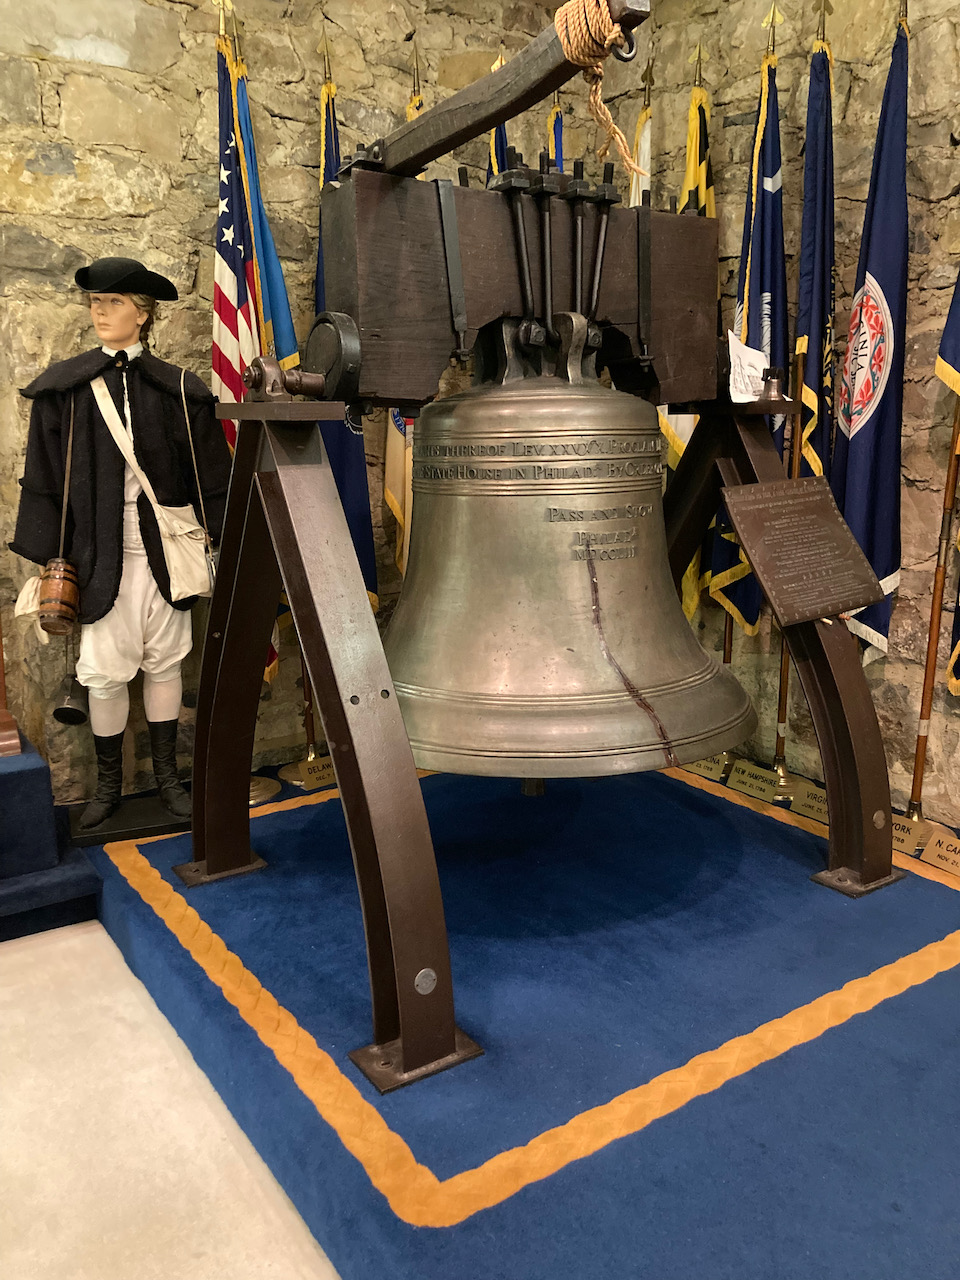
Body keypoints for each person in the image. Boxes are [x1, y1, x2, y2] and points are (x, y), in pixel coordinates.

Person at [11, 257, 232, 829]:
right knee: (105, 672)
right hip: (98, 562)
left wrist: (226, 533)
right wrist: (51, 558)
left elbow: (210, 471)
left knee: (165, 666)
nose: (99, 312)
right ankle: (108, 786)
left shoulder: (178, 389)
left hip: (167, 560)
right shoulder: (67, 389)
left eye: (112, 302)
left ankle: (167, 781)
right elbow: (44, 474)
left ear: (143, 312)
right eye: (94, 302)